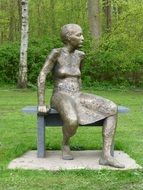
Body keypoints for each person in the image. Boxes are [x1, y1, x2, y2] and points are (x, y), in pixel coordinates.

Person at [37, 24, 124, 168]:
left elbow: (79, 77)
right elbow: (42, 75)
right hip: (60, 95)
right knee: (72, 121)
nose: (82, 38)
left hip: (77, 94)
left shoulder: (80, 55)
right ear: (68, 37)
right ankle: (65, 142)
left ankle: (106, 156)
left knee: (111, 107)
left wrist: (82, 100)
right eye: (78, 35)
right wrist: (41, 102)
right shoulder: (56, 53)